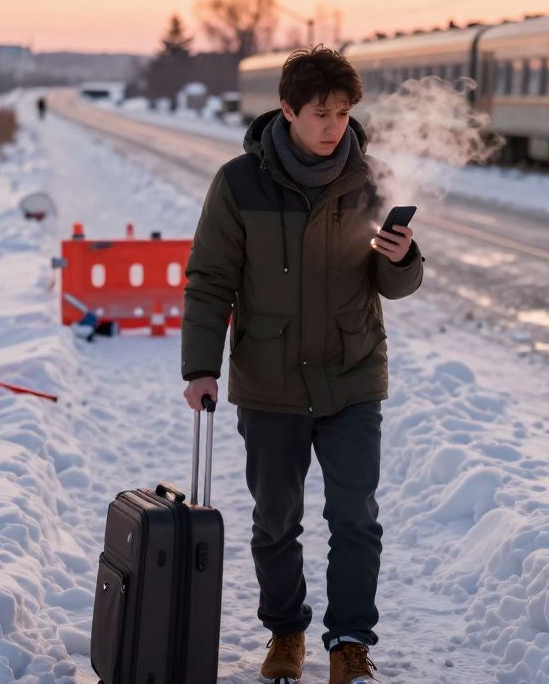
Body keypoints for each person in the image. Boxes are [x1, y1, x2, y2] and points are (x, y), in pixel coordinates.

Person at [181, 45, 424, 684]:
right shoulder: (239, 182)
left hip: (352, 373)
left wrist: (401, 259)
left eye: (343, 114)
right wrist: (199, 367)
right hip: (270, 380)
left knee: (355, 515)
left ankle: (349, 642)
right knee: (275, 519)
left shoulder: (371, 180)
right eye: (320, 113)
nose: (333, 126)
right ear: (286, 109)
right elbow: (209, 280)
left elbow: (390, 283)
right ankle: (286, 631)